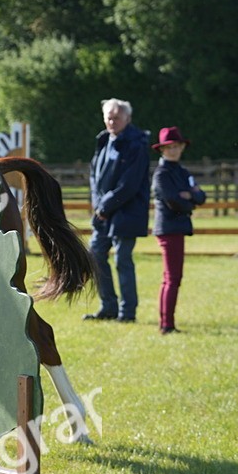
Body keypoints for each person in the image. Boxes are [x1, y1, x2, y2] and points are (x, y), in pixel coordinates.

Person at [85, 98, 150, 322]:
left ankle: (127, 312)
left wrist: (105, 206)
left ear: (127, 119)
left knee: (123, 259)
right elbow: (94, 176)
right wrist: (98, 204)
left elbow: (129, 184)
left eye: (117, 118)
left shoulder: (137, 144)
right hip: (103, 213)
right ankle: (108, 306)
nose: (112, 121)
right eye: (109, 117)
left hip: (126, 212)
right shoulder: (103, 141)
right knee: (95, 255)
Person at [151, 127, 206, 334]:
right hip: (168, 229)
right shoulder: (161, 174)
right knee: (172, 278)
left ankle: (167, 322)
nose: (173, 150)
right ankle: (167, 324)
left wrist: (189, 196)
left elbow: (201, 197)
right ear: (162, 150)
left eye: (176, 146)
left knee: (172, 277)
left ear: (182, 147)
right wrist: (189, 199)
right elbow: (174, 201)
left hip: (178, 228)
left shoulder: (183, 172)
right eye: (169, 147)